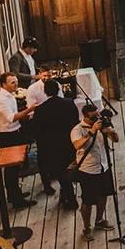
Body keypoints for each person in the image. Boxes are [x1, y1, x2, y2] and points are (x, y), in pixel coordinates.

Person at [71, 103, 118, 241]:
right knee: (88, 201)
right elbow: (77, 145)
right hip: (88, 170)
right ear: (85, 116)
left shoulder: (101, 125)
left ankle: (99, 220)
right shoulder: (77, 129)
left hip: (103, 166)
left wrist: (110, 131)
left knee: (104, 195)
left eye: (97, 115)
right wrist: (91, 131)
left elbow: (116, 140)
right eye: (93, 117)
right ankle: (86, 227)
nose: (96, 118)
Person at [31, 80, 79, 208]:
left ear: (45, 92)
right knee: (67, 169)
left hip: (52, 146)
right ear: (58, 89)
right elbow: (75, 121)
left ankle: (70, 198)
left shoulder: (40, 109)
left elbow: (37, 130)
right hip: (68, 142)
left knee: (59, 171)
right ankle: (67, 195)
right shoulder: (69, 103)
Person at [0, 72, 38, 209]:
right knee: (12, 169)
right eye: (12, 82)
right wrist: (29, 110)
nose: (16, 84)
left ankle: (14, 194)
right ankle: (16, 200)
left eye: (16, 81)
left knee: (15, 169)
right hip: (7, 135)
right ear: (3, 84)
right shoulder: (1, 100)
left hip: (14, 132)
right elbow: (12, 117)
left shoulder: (9, 96)